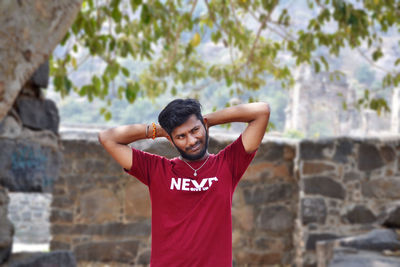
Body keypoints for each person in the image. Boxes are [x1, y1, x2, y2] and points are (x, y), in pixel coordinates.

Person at [98, 98, 270, 266]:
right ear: (171, 141)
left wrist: (207, 120)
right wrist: (158, 130)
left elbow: (261, 111)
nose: (192, 141)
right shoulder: (157, 169)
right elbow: (107, 138)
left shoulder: (228, 164)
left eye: (195, 130)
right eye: (181, 136)